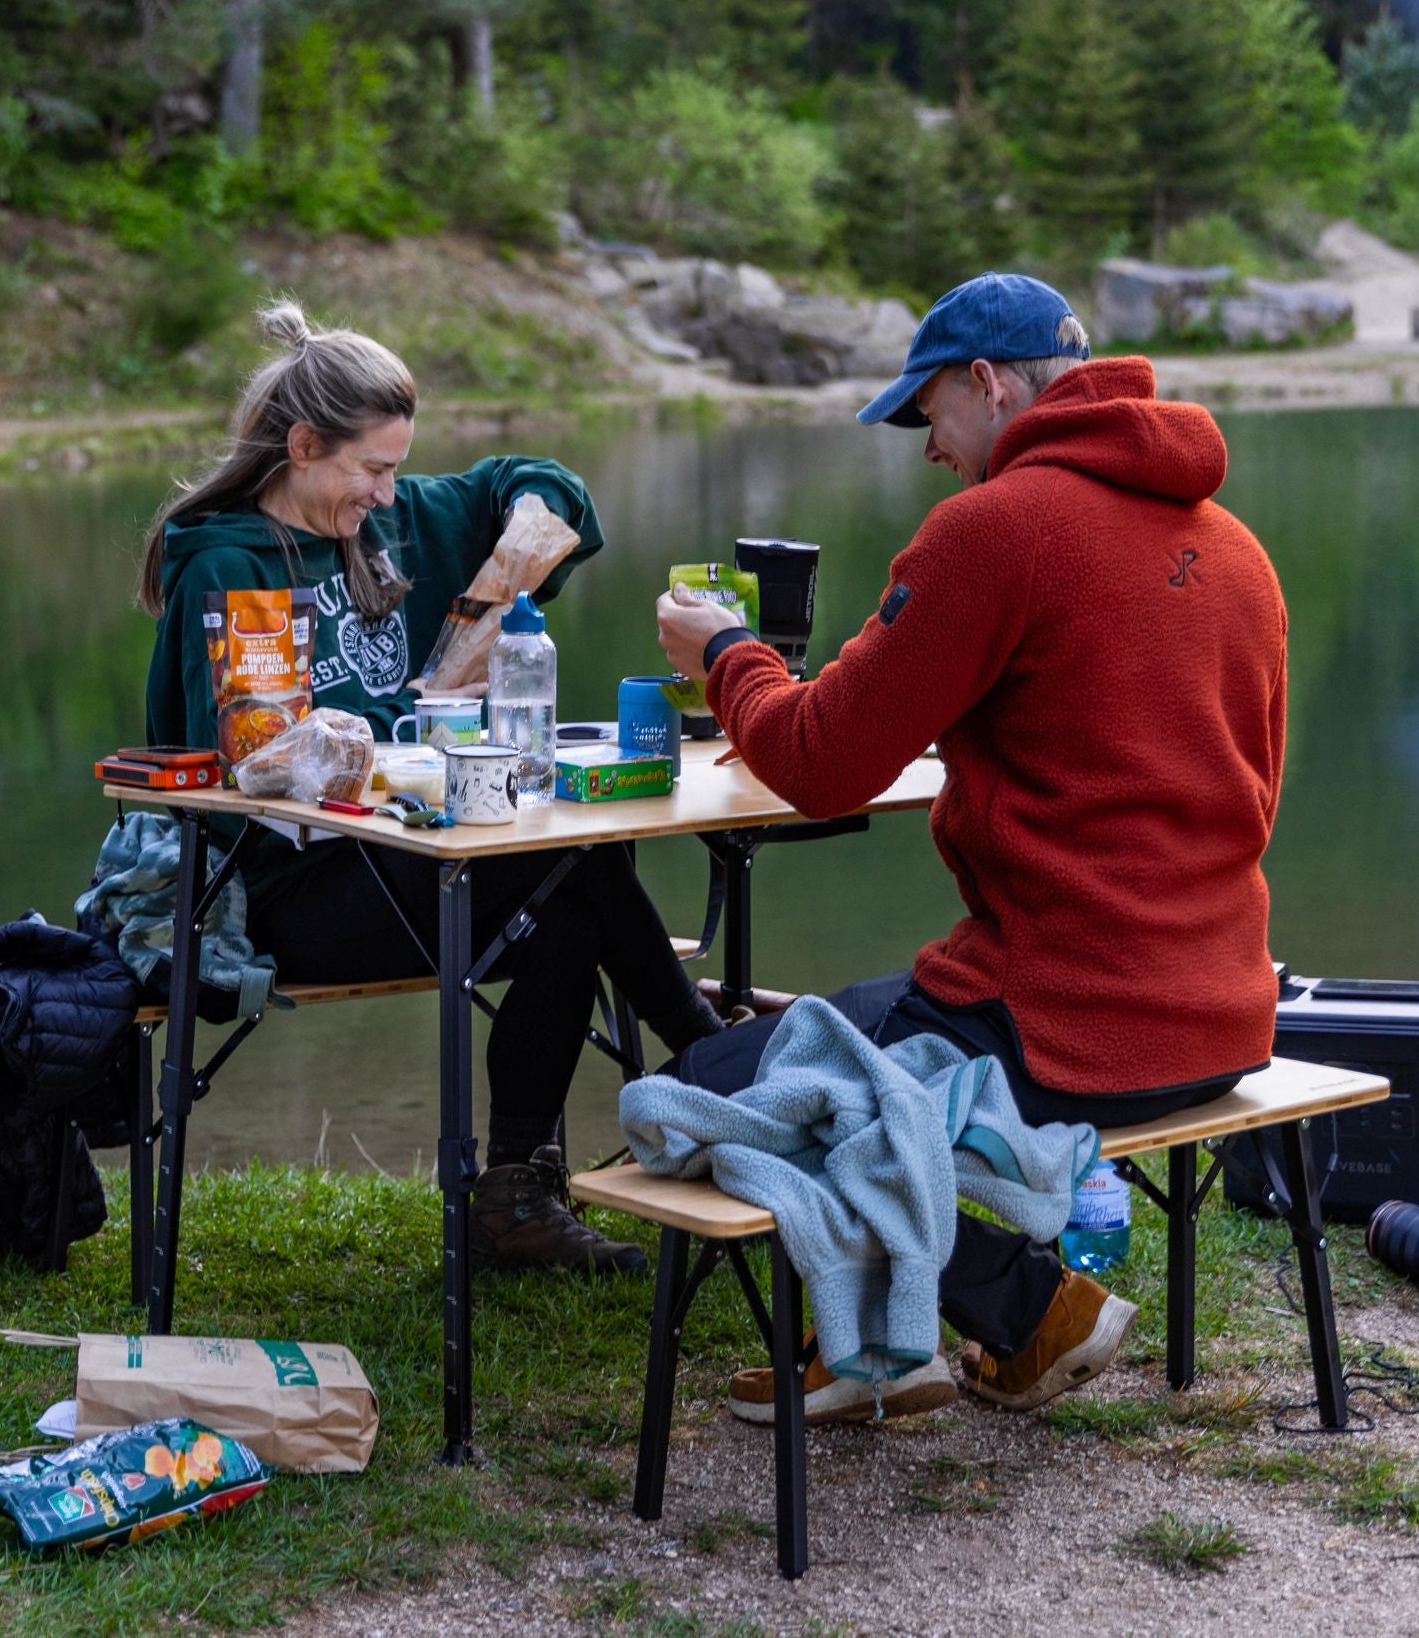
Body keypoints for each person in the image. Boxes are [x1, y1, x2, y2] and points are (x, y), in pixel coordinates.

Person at [655, 272, 1287, 1423]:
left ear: (988, 384)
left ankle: (1022, 1310)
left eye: (929, 414)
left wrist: (729, 653)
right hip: (1226, 1013)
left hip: (1065, 1025)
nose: (930, 448)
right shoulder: (1236, 549)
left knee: (700, 1092)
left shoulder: (998, 531)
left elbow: (819, 760)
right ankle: (866, 1357)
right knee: (833, 1043)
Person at [142, 302, 723, 1275]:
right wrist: (327, 751)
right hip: (279, 888)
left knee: (579, 879)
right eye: (371, 468)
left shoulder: (398, 521)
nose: (387, 491)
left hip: (418, 855)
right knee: (573, 868)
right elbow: (241, 761)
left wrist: (533, 533)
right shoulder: (229, 563)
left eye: (398, 467)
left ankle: (517, 1199)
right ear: (302, 444)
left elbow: (534, 485)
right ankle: (708, 1058)